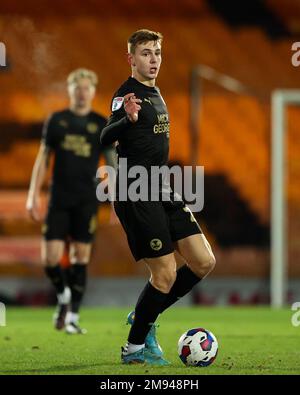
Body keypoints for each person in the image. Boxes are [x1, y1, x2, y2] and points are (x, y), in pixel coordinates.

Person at [100, 30, 216, 365]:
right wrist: (126, 119)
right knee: (164, 274)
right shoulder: (125, 96)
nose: (153, 60)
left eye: (157, 53)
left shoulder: (156, 91)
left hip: (162, 185)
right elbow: (104, 138)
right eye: (146, 53)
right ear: (131, 59)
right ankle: (135, 347)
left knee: (204, 261)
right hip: (135, 189)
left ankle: (143, 315)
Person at [27, 68, 117, 334]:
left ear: (93, 91)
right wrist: (33, 193)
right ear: (70, 91)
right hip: (59, 198)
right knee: (50, 258)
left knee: (81, 257)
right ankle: (63, 295)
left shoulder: (101, 124)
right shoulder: (57, 121)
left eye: (86, 87)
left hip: (86, 200)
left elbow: (111, 166)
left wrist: (115, 200)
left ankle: (73, 317)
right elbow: (43, 158)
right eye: (77, 88)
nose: (82, 92)